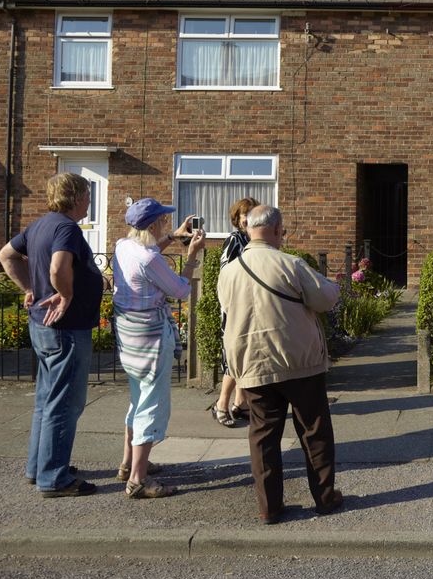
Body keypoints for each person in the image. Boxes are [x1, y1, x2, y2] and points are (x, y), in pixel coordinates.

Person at [217, 205, 342, 524]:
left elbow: (226, 309)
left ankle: (269, 508)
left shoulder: (229, 270)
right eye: (282, 231)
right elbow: (326, 299)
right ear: (275, 230)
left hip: (253, 365)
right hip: (298, 361)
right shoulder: (291, 264)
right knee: (314, 431)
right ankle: (325, 498)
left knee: (263, 437)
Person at [0, 173, 105, 497]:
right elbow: (59, 268)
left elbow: (6, 255)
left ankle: (40, 467)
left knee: (46, 401)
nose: (89, 200)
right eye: (87, 194)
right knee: (65, 404)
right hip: (65, 329)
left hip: (43, 326)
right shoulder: (66, 228)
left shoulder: (39, 225)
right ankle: (54, 479)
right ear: (74, 197)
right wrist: (66, 294)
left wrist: (30, 287)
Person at [112, 198, 206, 499]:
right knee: (152, 406)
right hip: (151, 339)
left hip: (129, 338)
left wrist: (171, 238)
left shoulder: (123, 246)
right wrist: (191, 255)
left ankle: (129, 464)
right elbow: (180, 290)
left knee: (138, 398)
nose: (166, 225)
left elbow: (148, 256)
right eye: (163, 222)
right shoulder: (148, 259)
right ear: (152, 225)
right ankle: (138, 480)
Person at [212, 196, 259, 427]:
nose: (247, 219)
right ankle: (221, 404)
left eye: (252, 214)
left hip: (249, 305)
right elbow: (226, 273)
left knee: (244, 355)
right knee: (233, 357)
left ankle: (240, 404)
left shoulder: (252, 239)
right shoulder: (235, 239)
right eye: (244, 215)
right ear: (237, 218)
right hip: (234, 307)